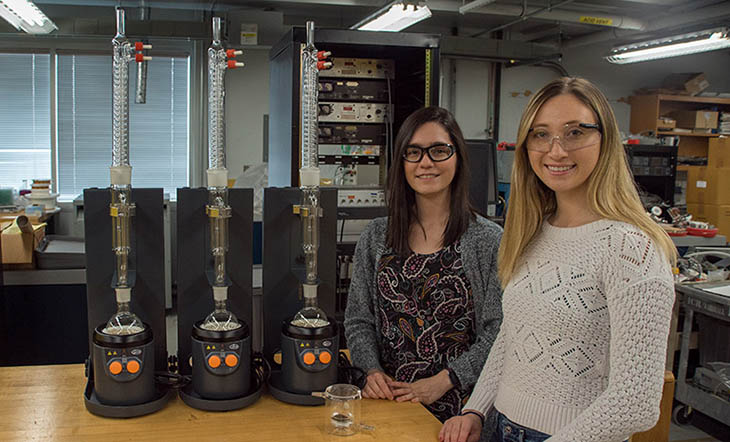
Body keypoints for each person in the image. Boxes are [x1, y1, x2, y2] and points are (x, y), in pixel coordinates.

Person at [440, 77, 677, 442]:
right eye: (540, 135)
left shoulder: (631, 249)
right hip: (499, 426)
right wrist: (476, 408)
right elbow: (512, 337)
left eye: (575, 132)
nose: (556, 151)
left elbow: (635, 403)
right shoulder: (533, 233)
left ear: (605, 139)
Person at [344, 106, 503, 422]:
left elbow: (498, 331)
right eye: (413, 153)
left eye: (438, 151)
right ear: (401, 163)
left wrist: (445, 380)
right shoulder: (376, 237)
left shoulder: (488, 240)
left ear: (457, 157)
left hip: (460, 415)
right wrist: (371, 370)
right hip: (388, 406)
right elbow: (358, 320)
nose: (426, 162)